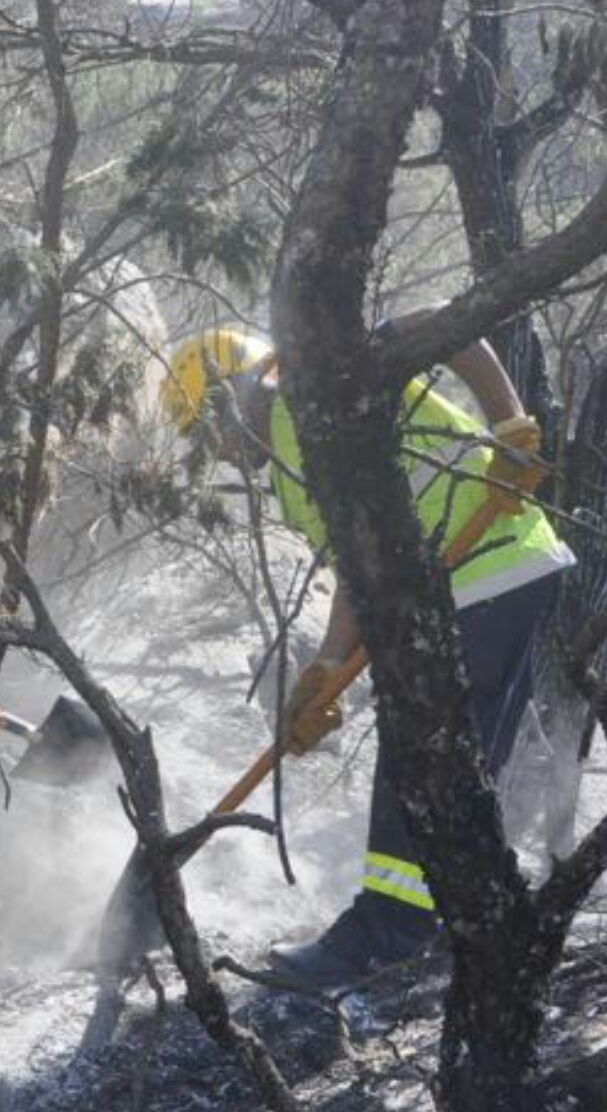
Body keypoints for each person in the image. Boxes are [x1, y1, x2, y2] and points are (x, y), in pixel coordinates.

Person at [161, 319, 574, 988]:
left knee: (423, 756)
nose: (216, 452)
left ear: (228, 398)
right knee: (452, 762)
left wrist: (510, 426)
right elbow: (358, 565)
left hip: (489, 562)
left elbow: (447, 320)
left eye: (208, 433)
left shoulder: (327, 377)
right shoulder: (291, 463)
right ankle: (458, 927)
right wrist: (326, 671)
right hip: (461, 587)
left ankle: (390, 934)